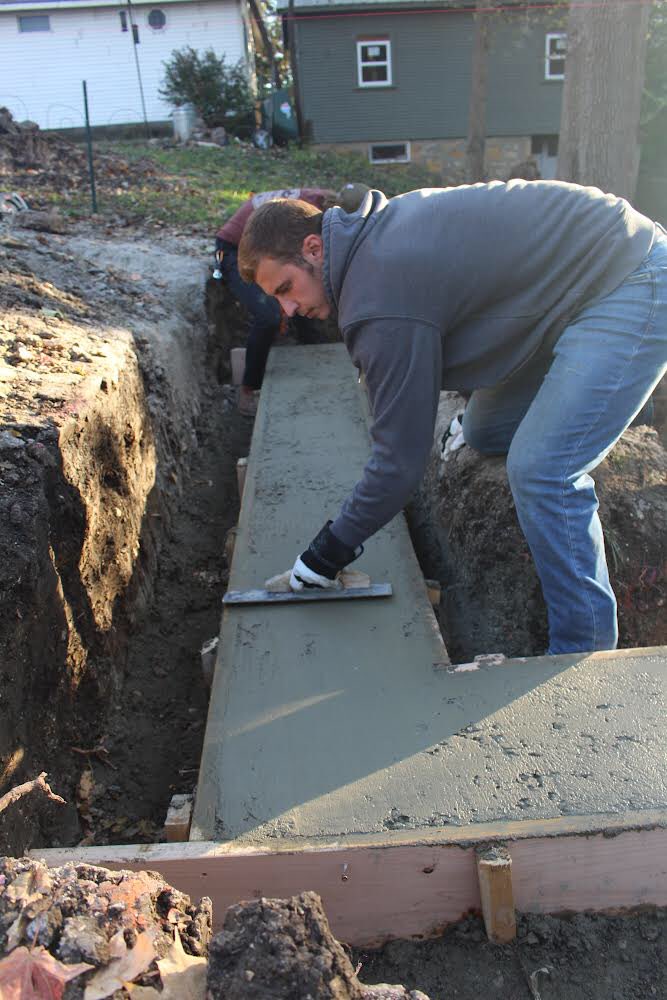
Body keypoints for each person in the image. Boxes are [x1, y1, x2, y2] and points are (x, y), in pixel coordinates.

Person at [237, 180, 667, 655]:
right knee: (481, 431)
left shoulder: (379, 299)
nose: (288, 310)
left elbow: (399, 464)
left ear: (313, 248)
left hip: (628, 276)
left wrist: (323, 557)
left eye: (286, 289)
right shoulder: (364, 243)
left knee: (542, 469)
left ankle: (584, 652)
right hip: (561, 296)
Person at [214, 184, 369, 414]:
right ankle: (248, 390)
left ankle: (315, 360)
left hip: (272, 254)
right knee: (269, 316)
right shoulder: (311, 217)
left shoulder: (319, 205)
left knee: (308, 295)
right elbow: (285, 264)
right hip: (234, 250)